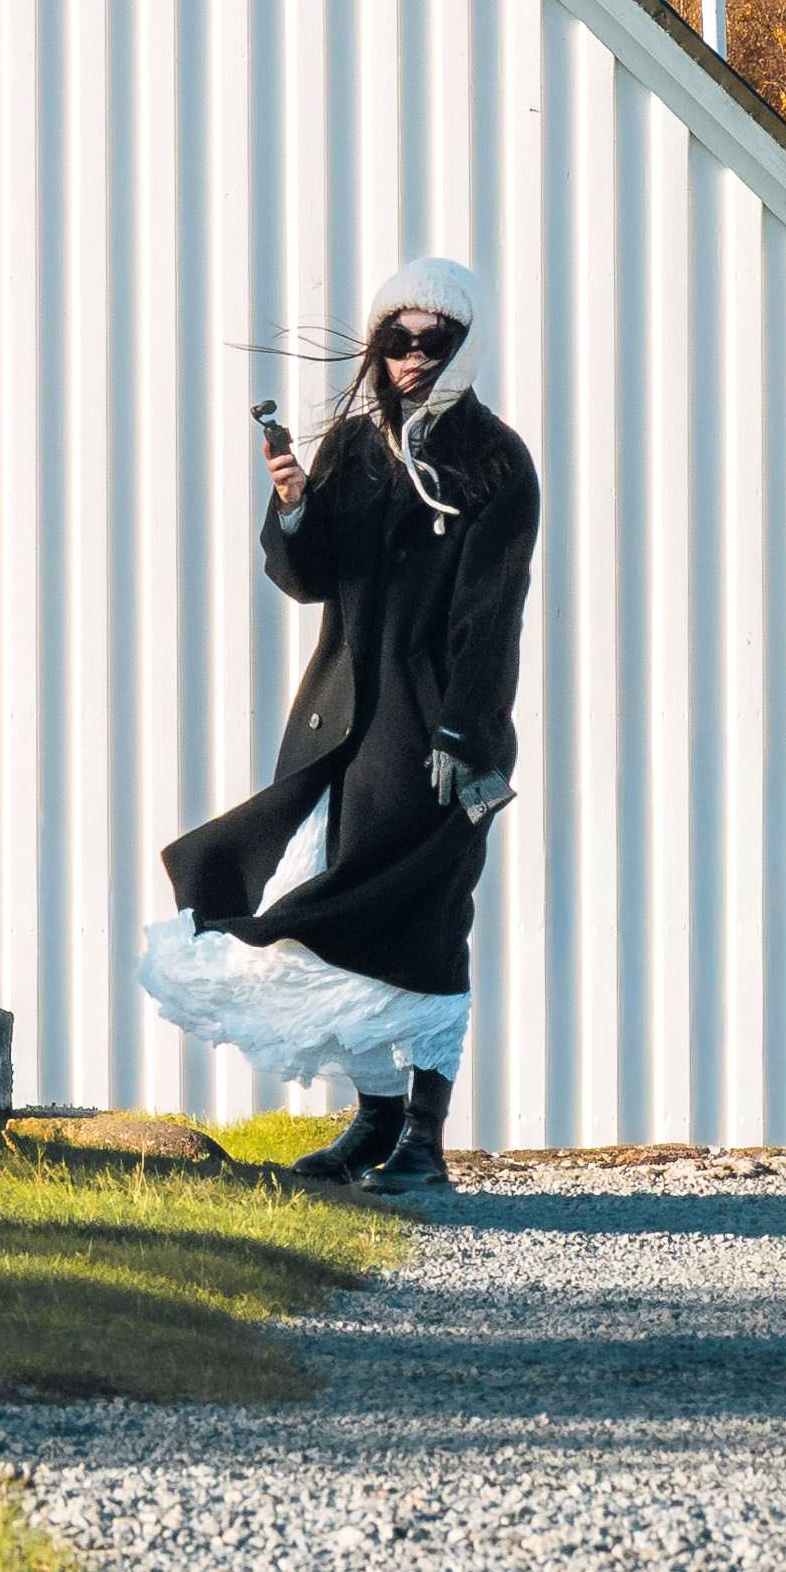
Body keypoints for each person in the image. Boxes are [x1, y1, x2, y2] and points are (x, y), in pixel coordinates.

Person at [137, 255, 544, 1197]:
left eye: (431, 340)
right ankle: (374, 1121)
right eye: (393, 339)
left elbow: (493, 612)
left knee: (431, 916)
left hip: (439, 734)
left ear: (464, 344)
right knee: (340, 913)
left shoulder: (495, 458)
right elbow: (307, 577)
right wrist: (290, 503)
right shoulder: (356, 448)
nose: (410, 356)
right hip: (341, 727)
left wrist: (465, 733)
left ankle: (424, 1140)